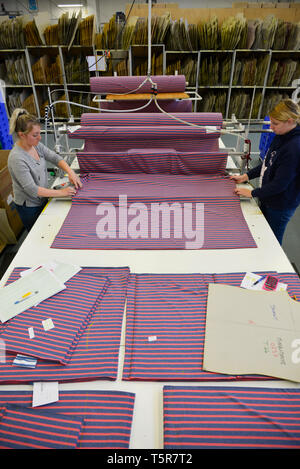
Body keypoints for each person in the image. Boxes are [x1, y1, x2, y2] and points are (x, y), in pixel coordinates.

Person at [231, 98, 300, 245]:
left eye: (275, 124)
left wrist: (252, 193)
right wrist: (246, 176)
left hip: (281, 203)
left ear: (289, 121)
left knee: (272, 241)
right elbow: (267, 164)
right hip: (270, 196)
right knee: (263, 231)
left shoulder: (294, 148)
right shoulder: (281, 136)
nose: (272, 127)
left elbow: (280, 184)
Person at [8, 108, 82, 232]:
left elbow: (54, 157)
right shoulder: (17, 158)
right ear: (22, 135)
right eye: (35, 135)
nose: (40, 138)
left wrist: (71, 172)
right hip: (29, 206)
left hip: (42, 197)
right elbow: (32, 189)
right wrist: (62, 193)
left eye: (40, 133)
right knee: (38, 234)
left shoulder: (35, 146)